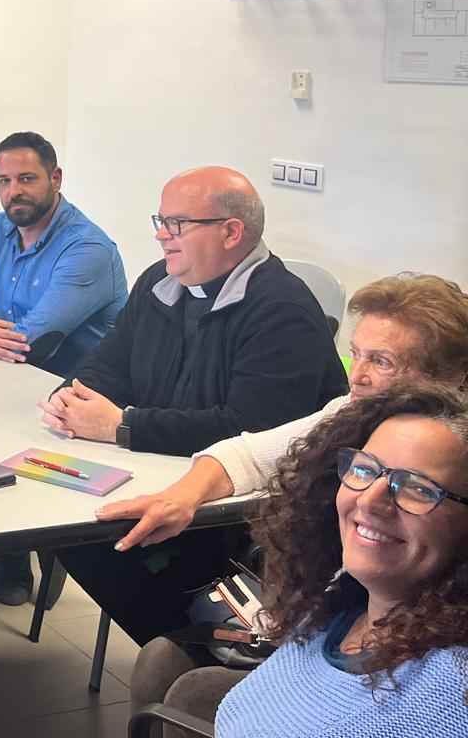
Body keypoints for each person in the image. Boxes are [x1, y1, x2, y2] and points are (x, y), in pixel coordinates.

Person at [99, 274, 468, 715]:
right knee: (161, 660)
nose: (358, 377)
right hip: (332, 622)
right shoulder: (348, 414)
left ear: (452, 377)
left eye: (382, 362)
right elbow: (250, 454)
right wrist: (180, 497)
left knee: (186, 687)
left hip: (390, 651)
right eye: (356, 356)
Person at [43, 166, 348, 645]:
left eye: (178, 224)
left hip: (240, 508)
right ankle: (183, 652)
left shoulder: (282, 310)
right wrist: (71, 396)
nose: (163, 236)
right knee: (60, 525)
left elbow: (247, 430)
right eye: (160, 221)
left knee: (88, 537)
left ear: (231, 232)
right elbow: (108, 364)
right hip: (159, 469)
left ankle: (201, 656)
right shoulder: (158, 284)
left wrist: (122, 427)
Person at [0, 130, 127, 606]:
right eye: (4, 180)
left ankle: (31, 547)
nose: (14, 191)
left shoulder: (88, 248)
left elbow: (32, 339)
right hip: (4, 373)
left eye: (27, 179)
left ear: (55, 179)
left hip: (74, 396)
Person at [203, 385, 468, 736]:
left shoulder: (453, 695)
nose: (369, 500)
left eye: (417, 488)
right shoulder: (337, 605)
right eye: (365, 470)